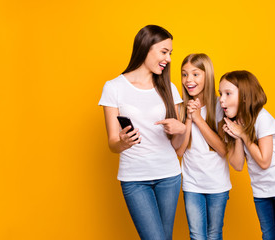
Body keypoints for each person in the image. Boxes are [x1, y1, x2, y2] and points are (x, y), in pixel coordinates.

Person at [98, 25, 186, 240]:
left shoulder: (169, 88)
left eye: (170, 53)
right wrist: (123, 142)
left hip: (169, 176)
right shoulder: (114, 87)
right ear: (146, 48)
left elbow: (178, 142)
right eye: (164, 52)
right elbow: (112, 144)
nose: (169, 59)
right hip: (135, 178)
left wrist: (181, 128)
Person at [219, 70, 275, 240]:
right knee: (269, 236)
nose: (221, 99)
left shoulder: (262, 118)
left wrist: (243, 135)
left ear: (244, 96)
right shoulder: (235, 124)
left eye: (228, 94)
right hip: (261, 190)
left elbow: (264, 161)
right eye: (220, 94)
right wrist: (238, 137)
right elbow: (237, 164)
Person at [177, 53, 231, 240]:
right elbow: (180, 150)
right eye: (184, 74)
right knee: (196, 235)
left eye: (195, 74)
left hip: (217, 184)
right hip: (192, 183)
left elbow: (223, 150)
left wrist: (198, 119)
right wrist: (189, 120)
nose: (188, 80)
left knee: (214, 234)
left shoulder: (220, 105)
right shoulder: (181, 108)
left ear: (207, 75)